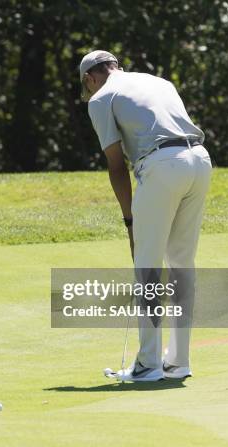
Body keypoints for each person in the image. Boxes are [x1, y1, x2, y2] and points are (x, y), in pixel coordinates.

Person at [79, 50, 212, 381]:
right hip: (199, 161)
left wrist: (130, 221)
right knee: (182, 264)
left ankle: (148, 365)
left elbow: (116, 166)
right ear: (116, 67)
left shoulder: (100, 98)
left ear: (90, 79)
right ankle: (178, 362)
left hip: (163, 166)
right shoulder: (158, 81)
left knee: (149, 268)